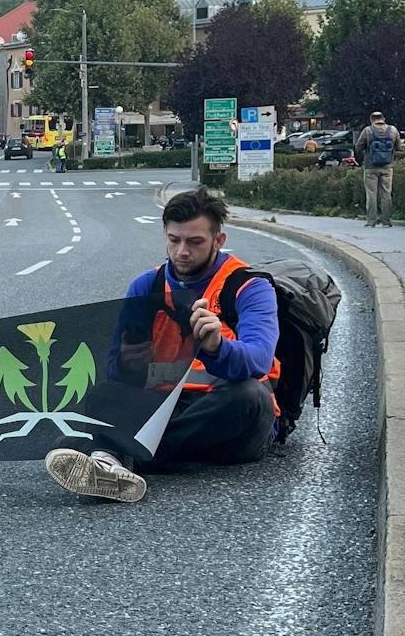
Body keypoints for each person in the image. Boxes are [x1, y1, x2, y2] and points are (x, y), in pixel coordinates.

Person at [46, 186, 278, 504]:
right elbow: (118, 372)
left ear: (218, 241)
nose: (182, 251)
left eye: (195, 242)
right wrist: (130, 364)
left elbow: (259, 361)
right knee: (104, 393)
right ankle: (119, 459)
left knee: (248, 396)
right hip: (165, 407)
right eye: (174, 240)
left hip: (229, 417)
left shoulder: (250, 287)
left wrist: (216, 347)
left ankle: (108, 452)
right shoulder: (146, 285)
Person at [359, 109, 400, 226]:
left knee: (371, 193)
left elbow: (358, 146)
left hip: (370, 167)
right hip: (387, 167)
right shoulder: (393, 130)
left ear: (371, 120)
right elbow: (398, 147)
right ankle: (386, 221)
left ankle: (371, 221)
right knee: (386, 193)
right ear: (383, 119)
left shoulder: (367, 130)